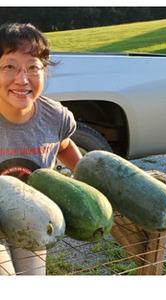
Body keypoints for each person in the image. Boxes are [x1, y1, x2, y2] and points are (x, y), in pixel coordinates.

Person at [0, 23, 82, 275]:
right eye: (9, 66)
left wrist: (87, 181)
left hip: (32, 217)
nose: (22, 79)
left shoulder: (55, 117)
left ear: (45, 71)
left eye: (33, 67)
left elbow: (65, 147)